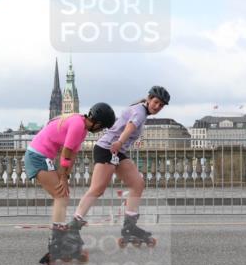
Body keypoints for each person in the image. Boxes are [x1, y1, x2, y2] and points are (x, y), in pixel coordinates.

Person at [68, 86, 170, 248]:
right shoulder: (140, 111)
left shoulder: (140, 109)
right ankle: (73, 226)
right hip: (108, 148)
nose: (157, 106)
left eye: (161, 105)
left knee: (137, 184)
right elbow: (130, 127)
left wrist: (120, 144)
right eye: (156, 102)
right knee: (97, 189)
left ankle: (129, 227)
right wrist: (120, 142)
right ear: (149, 98)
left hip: (118, 151)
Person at [25, 102, 117, 265]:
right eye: (102, 128)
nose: (101, 131)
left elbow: (72, 155)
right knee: (61, 197)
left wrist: (65, 177)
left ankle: (60, 241)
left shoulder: (81, 128)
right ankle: (57, 243)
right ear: (98, 123)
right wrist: (62, 177)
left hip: (42, 157)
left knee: (62, 196)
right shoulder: (77, 125)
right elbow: (66, 152)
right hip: (37, 157)